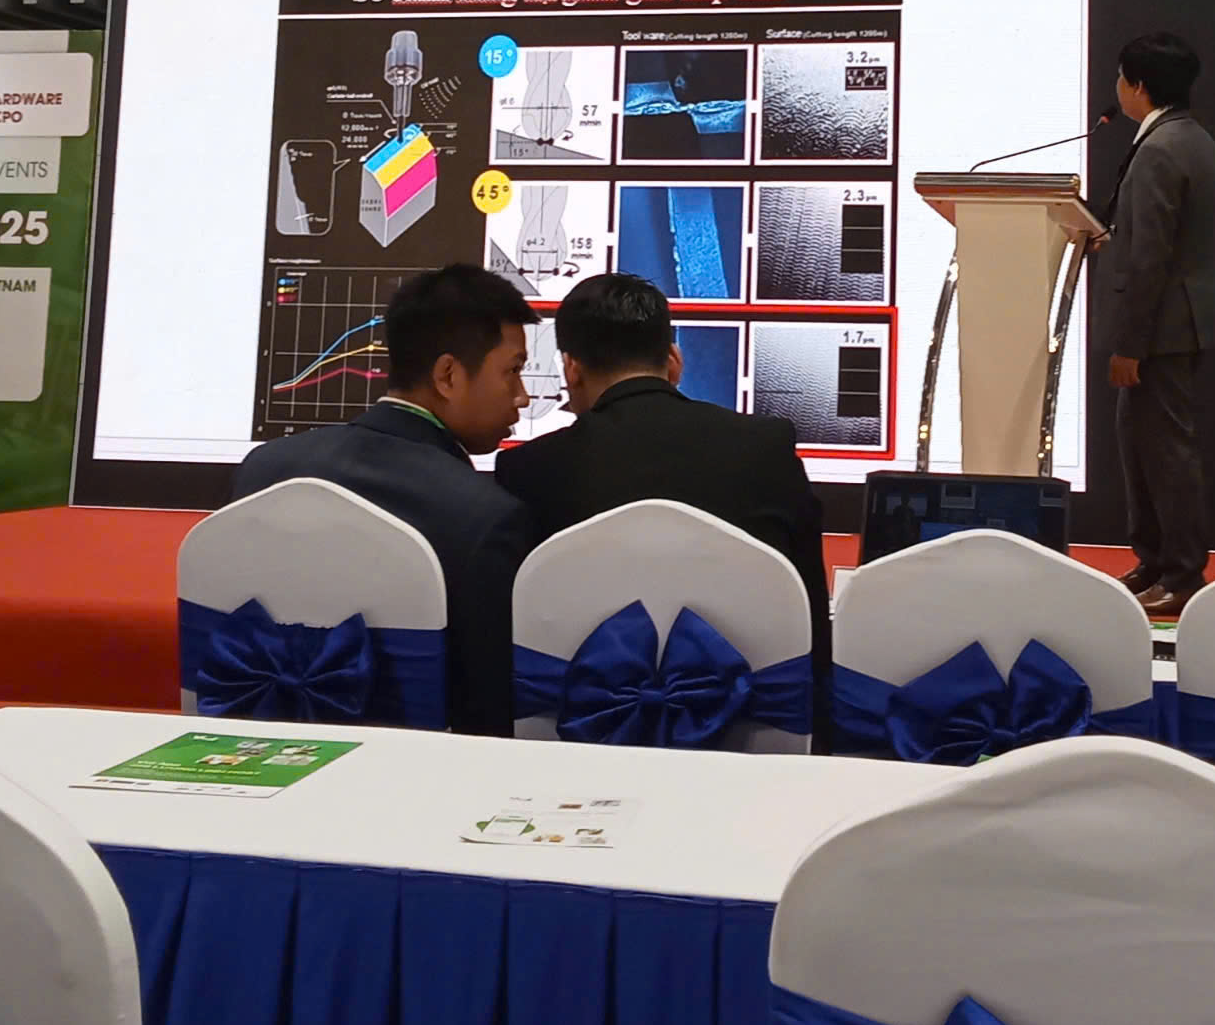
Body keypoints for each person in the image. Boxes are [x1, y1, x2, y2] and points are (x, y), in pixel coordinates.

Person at [496, 272, 831, 713]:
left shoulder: (525, 470)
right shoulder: (767, 446)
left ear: (571, 369)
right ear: (673, 360)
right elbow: (810, 614)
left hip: (579, 725)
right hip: (749, 724)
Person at [233, 264, 542, 736]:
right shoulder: (485, 517)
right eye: (513, 371)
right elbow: (489, 719)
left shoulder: (262, 471)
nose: (522, 396)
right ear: (448, 375)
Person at [1098, 31, 1215, 618]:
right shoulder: (1190, 137)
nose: (1118, 88)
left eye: (1122, 78)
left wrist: (1130, 345)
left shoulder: (1160, 148)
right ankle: (1154, 561)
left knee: (1166, 454)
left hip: (1161, 329)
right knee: (1141, 447)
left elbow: (1152, 257)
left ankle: (1181, 573)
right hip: (1178, 320)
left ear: (1139, 85)